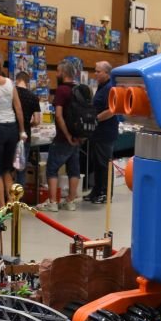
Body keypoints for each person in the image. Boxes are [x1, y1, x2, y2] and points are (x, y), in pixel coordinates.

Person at [37, 60, 81, 212]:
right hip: (77, 136)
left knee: (52, 169)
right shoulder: (79, 89)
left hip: (63, 137)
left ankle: (53, 202)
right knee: (74, 170)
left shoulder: (62, 90)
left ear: (63, 73)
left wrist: (67, 135)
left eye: (57, 71)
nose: (56, 74)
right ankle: (70, 201)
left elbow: (58, 115)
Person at [0, 53, 26, 208]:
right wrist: (22, 130)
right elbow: (18, 108)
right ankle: (11, 204)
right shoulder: (10, 83)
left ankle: (1, 205)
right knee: (8, 170)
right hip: (12, 127)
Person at [83, 61, 118, 204]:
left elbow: (112, 110)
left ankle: (105, 193)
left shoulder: (110, 88)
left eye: (98, 71)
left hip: (106, 132)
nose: (95, 74)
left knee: (104, 164)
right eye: (95, 71)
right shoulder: (101, 86)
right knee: (97, 163)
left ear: (107, 73)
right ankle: (96, 190)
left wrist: (95, 119)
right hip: (97, 133)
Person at [15, 71, 41, 185]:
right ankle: (19, 194)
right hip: (25, 135)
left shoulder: (12, 93)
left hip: (11, 132)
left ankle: (6, 194)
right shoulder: (33, 97)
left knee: (7, 169)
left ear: (17, 80)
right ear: (27, 82)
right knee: (21, 169)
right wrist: (28, 125)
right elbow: (37, 120)